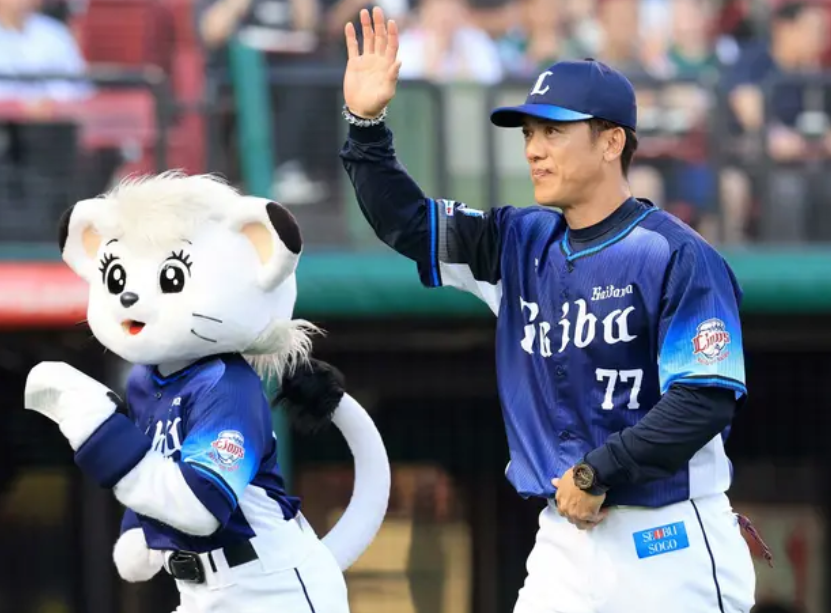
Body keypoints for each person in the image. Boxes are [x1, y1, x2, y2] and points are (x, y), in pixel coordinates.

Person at [340, 7, 767, 612]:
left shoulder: (677, 254)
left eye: (553, 132)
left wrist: (598, 471)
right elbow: (407, 222)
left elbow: (703, 400)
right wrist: (365, 125)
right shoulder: (517, 240)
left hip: (668, 539)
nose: (534, 151)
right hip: (563, 543)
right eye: (528, 135)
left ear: (611, 141)